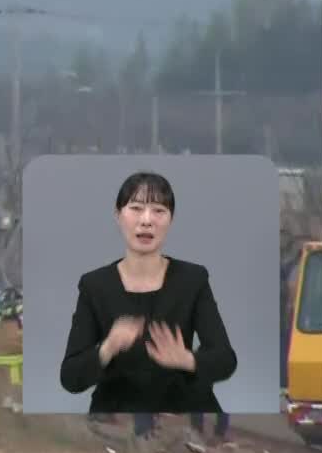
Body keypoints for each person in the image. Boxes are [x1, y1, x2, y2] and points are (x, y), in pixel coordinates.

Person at [59, 171, 238, 414]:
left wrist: (186, 359)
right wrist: (108, 347)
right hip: (118, 421)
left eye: (158, 211)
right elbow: (70, 378)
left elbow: (225, 360)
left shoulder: (193, 280)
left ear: (170, 219)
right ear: (117, 215)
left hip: (186, 418)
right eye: (136, 208)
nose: (146, 220)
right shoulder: (94, 286)